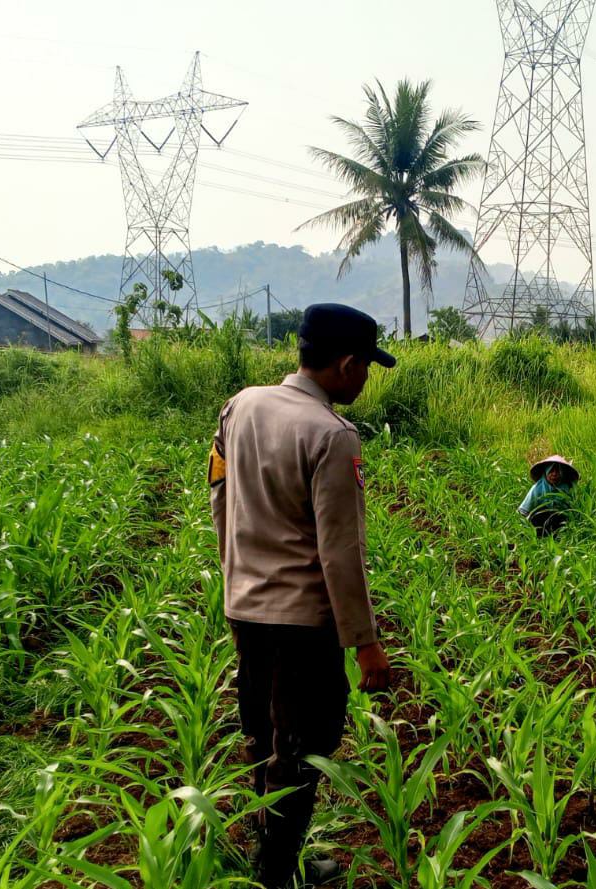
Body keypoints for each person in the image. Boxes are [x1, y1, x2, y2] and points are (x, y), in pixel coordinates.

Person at [210, 303, 395, 887]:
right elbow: (340, 552)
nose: (365, 379)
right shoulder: (332, 435)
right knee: (300, 749)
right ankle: (277, 876)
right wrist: (364, 643)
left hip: (246, 609)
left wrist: (237, 574)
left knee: (263, 735)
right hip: (301, 627)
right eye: (367, 367)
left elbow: (219, 494)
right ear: (346, 364)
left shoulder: (240, 405)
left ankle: (272, 856)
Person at [517, 455, 578, 537]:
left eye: (558, 471)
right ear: (546, 472)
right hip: (540, 522)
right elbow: (525, 510)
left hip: (559, 522)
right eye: (551, 471)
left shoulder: (566, 488)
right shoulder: (537, 488)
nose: (554, 474)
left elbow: (572, 510)